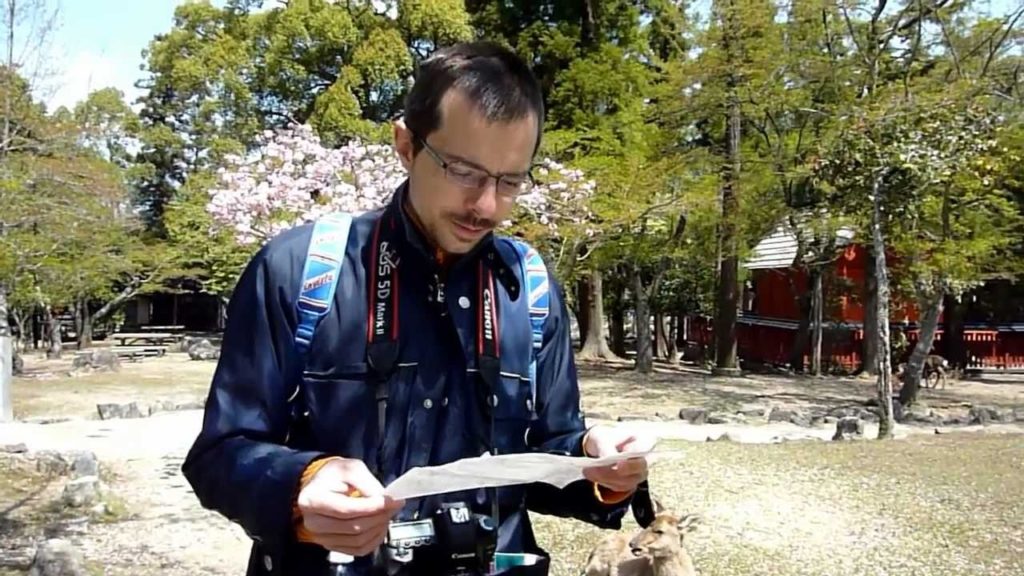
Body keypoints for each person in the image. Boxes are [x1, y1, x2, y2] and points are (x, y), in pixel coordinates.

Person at [181, 40, 657, 576]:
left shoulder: (530, 287)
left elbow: (548, 449)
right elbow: (220, 453)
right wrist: (302, 484)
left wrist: (598, 464)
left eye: (511, 181)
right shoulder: (298, 270)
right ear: (406, 145)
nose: (486, 206)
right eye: (464, 171)